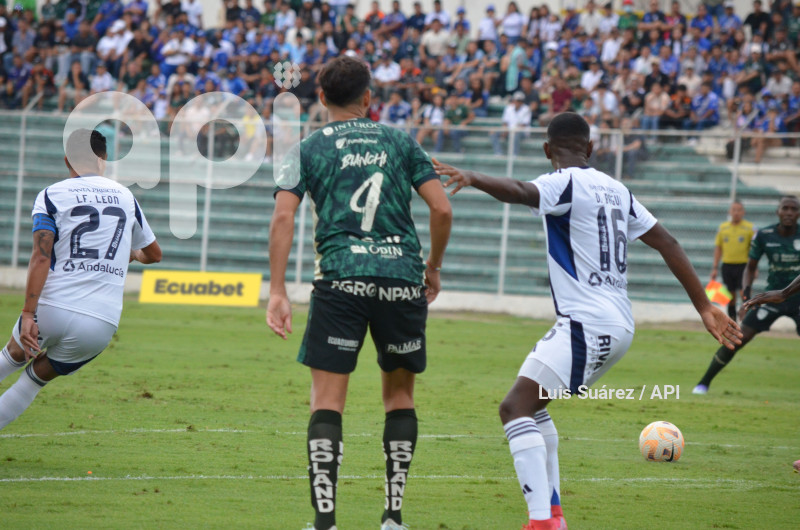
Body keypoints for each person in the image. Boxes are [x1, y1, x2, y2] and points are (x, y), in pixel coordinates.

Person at [433, 112, 741, 530]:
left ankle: (541, 522)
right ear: (591, 148)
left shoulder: (562, 182)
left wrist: (473, 176)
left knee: (514, 408)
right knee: (533, 409)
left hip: (587, 324)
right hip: (613, 323)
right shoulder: (617, 189)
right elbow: (668, 241)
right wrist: (704, 306)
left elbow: (522, 191)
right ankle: (554, 516)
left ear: (547, 149)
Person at [266, 56, 452, 530]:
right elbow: (442, 209)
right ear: (368, 98)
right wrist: (432, 268)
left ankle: (325, 522)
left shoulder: (305, 149)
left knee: (327, 401)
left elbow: (284, 217)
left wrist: (278, 290)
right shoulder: (401, 141)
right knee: (400, 397)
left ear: (321, 97)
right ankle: (393, 517)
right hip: (401, 279)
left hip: (340, 280)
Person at [0, 128, 161, 430]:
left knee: (11, 358)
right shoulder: (126, 197)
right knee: (31, 383)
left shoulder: (52, 194)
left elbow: (41, 256)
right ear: (104, 160)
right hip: (101, 322)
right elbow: (154, 254)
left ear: (67, 160)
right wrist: (131, 254)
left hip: (53, 307)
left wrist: (27, 313)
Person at [694, 196, 800, 395]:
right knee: (738, 338)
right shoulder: (765, 235)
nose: (788, 212)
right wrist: (747, 297)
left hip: (795, 298)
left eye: (793, 209)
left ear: (798, 213)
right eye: (785, 208)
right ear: (777, 211)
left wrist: (785, 293)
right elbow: (750, 268)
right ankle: (703, 384)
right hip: (771, 299)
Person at [710, 201, 754, 319]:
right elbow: (718, 248)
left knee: (744, 294)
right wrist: (715, 267)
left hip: (743, 266)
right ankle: (733, 322)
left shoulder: (749, 228)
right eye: (734, 209)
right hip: (727, 266)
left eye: (739, 210)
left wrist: (754, 268)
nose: (736, 212)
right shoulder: (723, 227)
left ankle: (746, 322)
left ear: (743, 212)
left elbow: (754, 249)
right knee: (730, 297)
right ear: (729, 211)